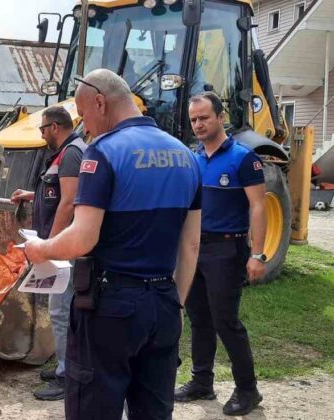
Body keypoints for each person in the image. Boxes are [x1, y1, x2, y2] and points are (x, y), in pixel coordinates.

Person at [23, 69, 202, 420]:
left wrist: (40, 249)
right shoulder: (186, 155)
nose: (83, 125)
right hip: (164, 303)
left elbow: (83, 238)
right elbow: (191, 243)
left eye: (83, 113)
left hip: (111, 308)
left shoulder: (102, 154)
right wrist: (175, 304)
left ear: (101, 103)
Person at [174, 91, 266, 416]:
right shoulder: (193, 158)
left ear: (220, 117)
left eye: (204, 118)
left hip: (227, 249)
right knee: (199, 318)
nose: (198, 124)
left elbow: (258, 206)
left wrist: (258, 254)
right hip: (196, 248)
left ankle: (248, 390)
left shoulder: (244, 158)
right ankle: (202, 381)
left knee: (226, 321)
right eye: (194, 120)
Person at [10, 105, 87, 401]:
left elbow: (69, 203)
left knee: (61, 311)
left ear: (54, 127)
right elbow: (59, 192)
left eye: (42, 129)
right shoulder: (65, 154)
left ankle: (68, 375)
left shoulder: (71, 154)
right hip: (62, 246)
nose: (41, 135)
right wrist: (33, 195)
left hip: (64, 248)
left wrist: (50, 247)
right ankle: (65, 368)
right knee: (63, 310)